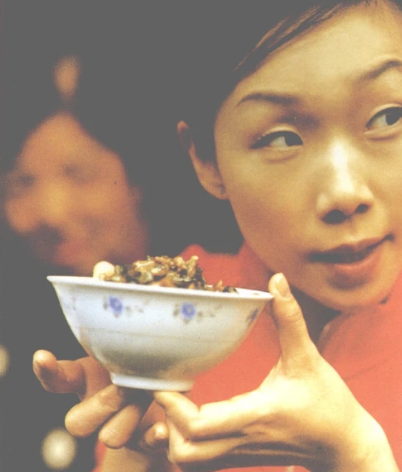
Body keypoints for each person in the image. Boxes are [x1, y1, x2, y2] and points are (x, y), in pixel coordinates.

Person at [33, 0, 402, 471]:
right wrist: (137, 452)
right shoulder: (174, 322)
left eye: (388, 117)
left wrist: (359, 455)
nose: (345, 193)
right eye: (282, 138)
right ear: (206, 161)